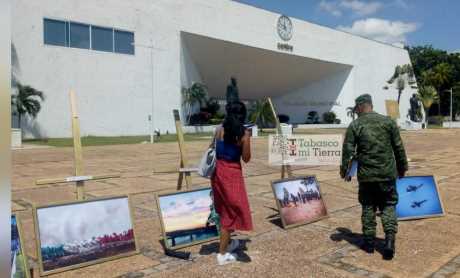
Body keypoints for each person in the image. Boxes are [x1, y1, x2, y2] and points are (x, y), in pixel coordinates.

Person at [340, 94, 408, 260]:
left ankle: (369, 244)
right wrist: (402, 168)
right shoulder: (388, 122)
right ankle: (389, 242)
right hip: (387, 175)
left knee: (368, 207)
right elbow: (399, 148)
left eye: (356, 109)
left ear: (361, 106)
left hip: (367, 177)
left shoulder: (355, 125)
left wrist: (345, 172)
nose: (356, 112)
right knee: (388, 206)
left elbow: (348, 151)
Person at [211, 101, 253, 265]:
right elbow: (246, 158)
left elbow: (214, 149)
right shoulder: (243, 133)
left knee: (224, 209)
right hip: (232, 174)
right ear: (242, 115)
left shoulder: (219, 129)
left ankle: (228, 243)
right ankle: (222, 254)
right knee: (232, 212)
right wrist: (247, 138)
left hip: (218, 173)